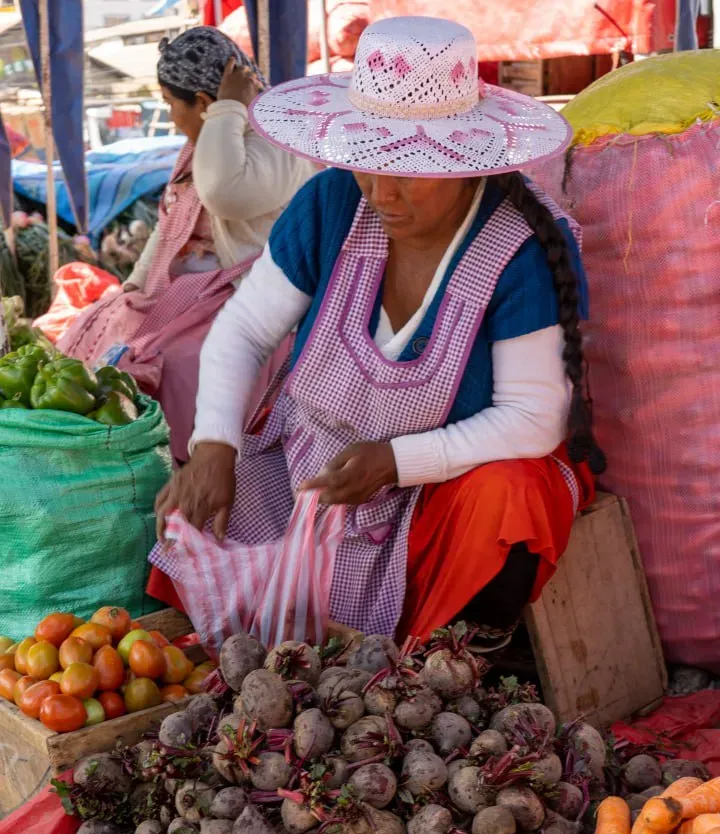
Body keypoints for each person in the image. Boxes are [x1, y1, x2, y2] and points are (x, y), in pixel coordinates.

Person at [150, 16, 605, 648]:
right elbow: (245, 330)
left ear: (464, 159)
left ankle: (451, 656)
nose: (381, 193)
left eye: (408, 171)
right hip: (312, 468)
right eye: (369, 164)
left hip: (436, 492)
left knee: (512, 497)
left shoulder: (520, 246)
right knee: (190, 519)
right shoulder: (334, 201)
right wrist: (215, 443)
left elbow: (532, 416)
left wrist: (397, 461)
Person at [59, 26, 314, 463]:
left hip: (253, 309)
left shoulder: (277, 142)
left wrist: (228, 109)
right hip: (191, 298)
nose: (172, 117)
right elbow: (169, 220)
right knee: (90, 339)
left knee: (173, 366)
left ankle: (185, 469)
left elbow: (222, 192)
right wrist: (136, 286)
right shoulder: (207, 140)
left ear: (202, 102)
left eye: (171, 104)